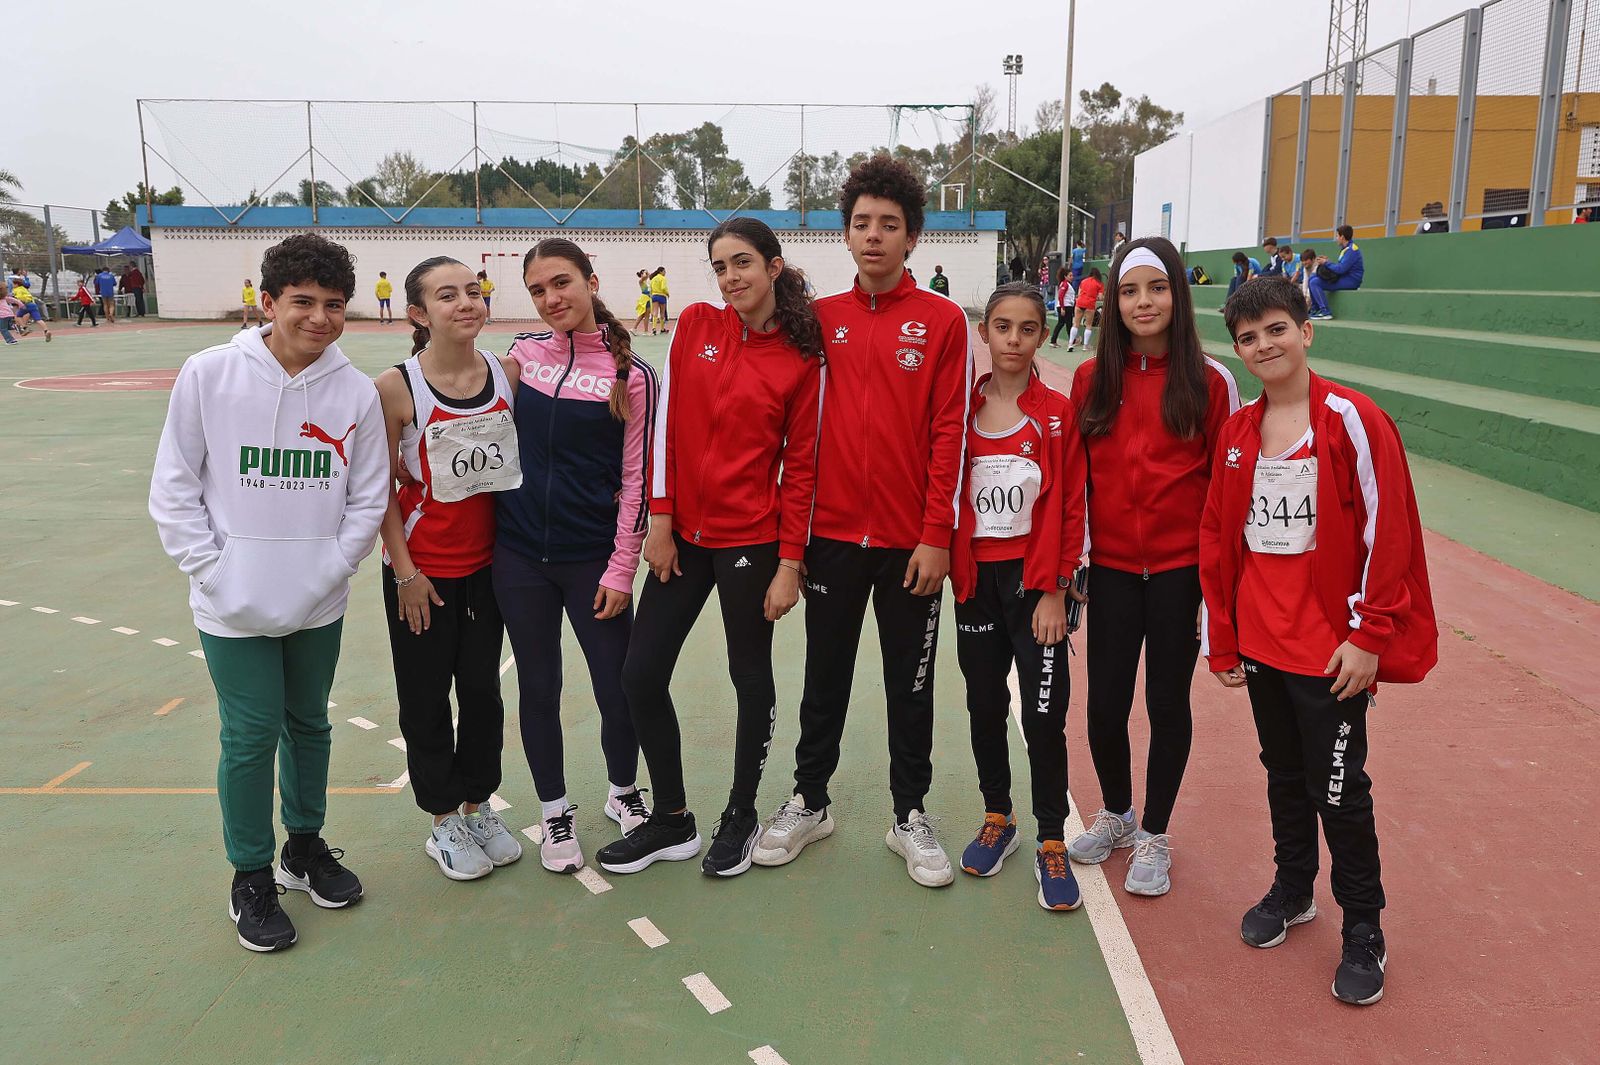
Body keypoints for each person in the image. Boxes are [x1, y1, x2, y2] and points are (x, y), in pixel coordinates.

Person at [148, 233, 388, 952]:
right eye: (303, 303)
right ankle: (249, 873)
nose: (320, 318)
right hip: (230, 601)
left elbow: (368, 496)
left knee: (309, 722)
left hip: (317, 597)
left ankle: (303, 848)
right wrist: (216, 572)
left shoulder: (354, 391)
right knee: (250, 734)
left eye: (334, 305)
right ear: (268, 301)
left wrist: (330, 569)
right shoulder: (209, 374)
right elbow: (174, 487)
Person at [1203, 277, 1437, 1006]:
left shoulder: (1352, 419)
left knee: (1340, 789)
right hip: (1263, 646)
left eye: (1276, 328)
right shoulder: (1239, 431)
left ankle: (1364, 926)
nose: (1264, 344)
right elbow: (1218, 535)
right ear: (1237, 350)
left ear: (1307, 332)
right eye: (1248, 337)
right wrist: (1224, 637)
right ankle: (1294, 886)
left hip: (1332, 654)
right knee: (1282, 772)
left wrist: (1368, 636)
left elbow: (1388, 530)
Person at [750, 155, 972, 888]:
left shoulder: (941, 322)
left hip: (912, 543)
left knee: (912, 684)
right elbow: (798, 437)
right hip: (834, 537)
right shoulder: (819, 323)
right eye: (861, 223)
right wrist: (795, 540)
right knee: (825, 676)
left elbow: (950, 432)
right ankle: (811, 800)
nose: (874, 236)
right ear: (845, 234)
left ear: (913, 237)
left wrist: (936, 533)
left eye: (890, 225)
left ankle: (910, 812)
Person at [597, 217, 823, 878]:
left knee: (749, 675)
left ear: (774, 267)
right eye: (720, 266)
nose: (730, 278)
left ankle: (741, 810)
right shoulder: (695, 324)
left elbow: (802, 468)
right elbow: (663, 427)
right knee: (640, 673)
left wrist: (788, 563)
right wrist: (659, 520)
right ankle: (671, 818)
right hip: (683, 536)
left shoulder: (801, 359)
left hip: (752, 538)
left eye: (743, 263)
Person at [1064, 237, 1240, 897]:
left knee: (1166, 704)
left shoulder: (1210, 380)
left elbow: (1229, 486)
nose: (1144, 302)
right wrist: (1072, 563)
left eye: (1157, 288)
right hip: (1107, 571)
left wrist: (1218, 583)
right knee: (1105, 707)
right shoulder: (1091, 380)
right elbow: (1075, 478)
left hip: (1177, 574)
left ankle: (1156, 834)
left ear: (1177, 296)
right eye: (1131, 290)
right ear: (1114, 301)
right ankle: (1117, 812)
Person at [496, 238, 659, 873]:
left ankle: (625, 793)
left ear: (591, 281)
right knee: (538, 687)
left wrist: (622, 566)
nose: (551, 299)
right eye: (538, 291)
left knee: (618, 687)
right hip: (516, 558)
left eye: (561, 283)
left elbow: (638, 479)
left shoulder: (634, 375)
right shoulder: (520, 359)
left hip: (593, 559)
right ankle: (554, 811)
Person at [375, 257, 524, 882]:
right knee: (427, 696)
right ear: (418, 313)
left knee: (484, 694)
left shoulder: (507, 371)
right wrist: (406, 572)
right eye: (447, 295)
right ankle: (442, 820)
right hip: (424, 574)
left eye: (473, 291)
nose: (466, 303)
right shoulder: (396, 386)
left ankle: (477, 804)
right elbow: (378, 485)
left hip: (490, 568)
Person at [951, 282, 1086, 911]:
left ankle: (1052, 839)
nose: (1012, 339)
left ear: (1041, 335)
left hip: (1036, 591)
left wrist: (1058, 590)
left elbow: (1071, 507)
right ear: (986, 333)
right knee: (984, 707)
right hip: (975, 585)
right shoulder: (958, 413)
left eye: (1027, 329)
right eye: (1002, 327)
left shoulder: (1056, 415)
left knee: (1042, 716)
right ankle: (998, 816)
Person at [1308, 225, 1364, 321]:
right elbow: (1342, 267)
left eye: (1337, 236)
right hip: (1344, 278)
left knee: (1315, 282)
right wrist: (1327, 262)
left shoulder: (1351, 250)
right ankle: (1315, 309)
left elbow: (1341, 269)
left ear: (1342, 237)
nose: (1336, 238)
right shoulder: (1346, 249)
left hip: (1351, 281)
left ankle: (1325, 312)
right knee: (1312, 278)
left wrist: (1326, 263)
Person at [1066, 266, 1102, 352]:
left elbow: (1079, 293)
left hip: (1079, 303)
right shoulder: (1099, 284)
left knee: (1075, 324)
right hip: (1090, 304)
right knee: (1088, 325)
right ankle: (1085, 346)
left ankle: (1070, 344)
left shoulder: (1083, 281)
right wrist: (1095, 296)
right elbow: (1100, 297)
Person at [1049, 268, 1075, 347]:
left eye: (1072, 275)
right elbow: (1061, 296)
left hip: (1066, 306)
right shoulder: (1065, 284)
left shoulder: (1066, 284)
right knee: (1068, 324)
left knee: (1062, 324)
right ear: (1065, 276)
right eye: (1070, 275)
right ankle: (1072, 340)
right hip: (1065, 306)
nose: (1072, 277)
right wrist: (1062, 308)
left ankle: (1053, 340)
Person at [649, 267, 670, 334]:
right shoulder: (663, 278)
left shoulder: (653, 279)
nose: (665, 273)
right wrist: (667, 293)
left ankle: (654, 328)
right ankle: (662, 328)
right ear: (661, 271)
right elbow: (663, 288)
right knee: (662, 313)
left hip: (654, 296)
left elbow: (650, 289)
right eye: (664, 271)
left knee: (655, 312)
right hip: (662, 296)